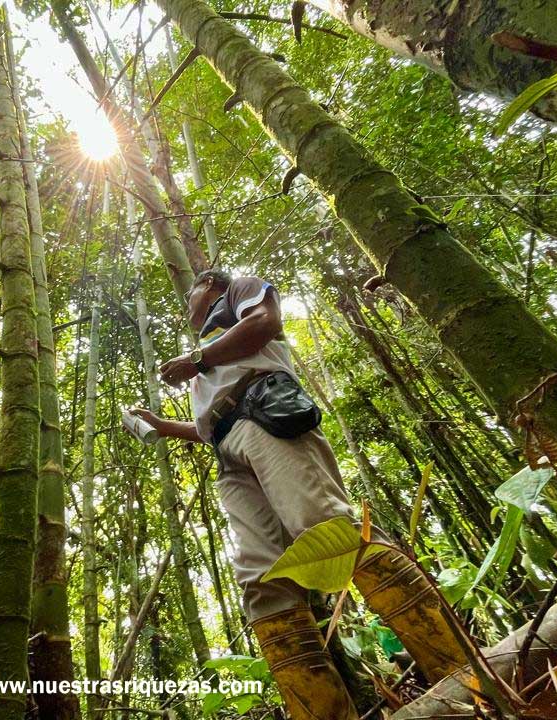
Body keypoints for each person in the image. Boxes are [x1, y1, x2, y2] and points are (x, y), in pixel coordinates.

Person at [133, 270, 464, 720]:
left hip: (265, 415)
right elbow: (210, 421)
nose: (185, 306)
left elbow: (264, 323)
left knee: (329, 529)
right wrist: (163, 426)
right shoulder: (207, 358)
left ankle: (463, 675)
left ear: (208, 283)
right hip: (227, 450)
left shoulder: (239, 290)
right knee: (261, 579)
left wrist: (196, 358)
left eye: (189, 294)